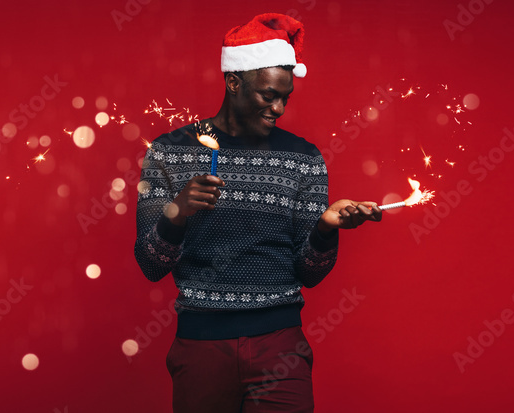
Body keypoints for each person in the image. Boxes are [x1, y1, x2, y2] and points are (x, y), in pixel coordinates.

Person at [133, 13, 382, 413]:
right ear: (234, 82)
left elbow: (310, 273)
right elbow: (150, 264)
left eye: (286, 97)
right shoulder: (168, 152)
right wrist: (177, 211)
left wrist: (324, 228)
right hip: (202, 346)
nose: (279, 108)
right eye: (269, 95)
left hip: (279, 346)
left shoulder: (303, 159)